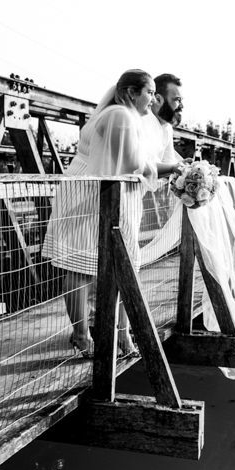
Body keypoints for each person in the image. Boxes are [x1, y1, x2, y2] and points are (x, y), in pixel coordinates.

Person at [42, 70, 180, 355]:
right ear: (131, 93)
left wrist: (175, 166)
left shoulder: (129, 117)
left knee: (124, 265)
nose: (153, 99)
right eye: (149, 92)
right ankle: (82, 336)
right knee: (80, 265)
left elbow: (138, 162)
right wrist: (177, 169)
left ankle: (121, 334)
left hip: (114, 191)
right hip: (92, 192)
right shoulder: (120, 115)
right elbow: (133, 163)